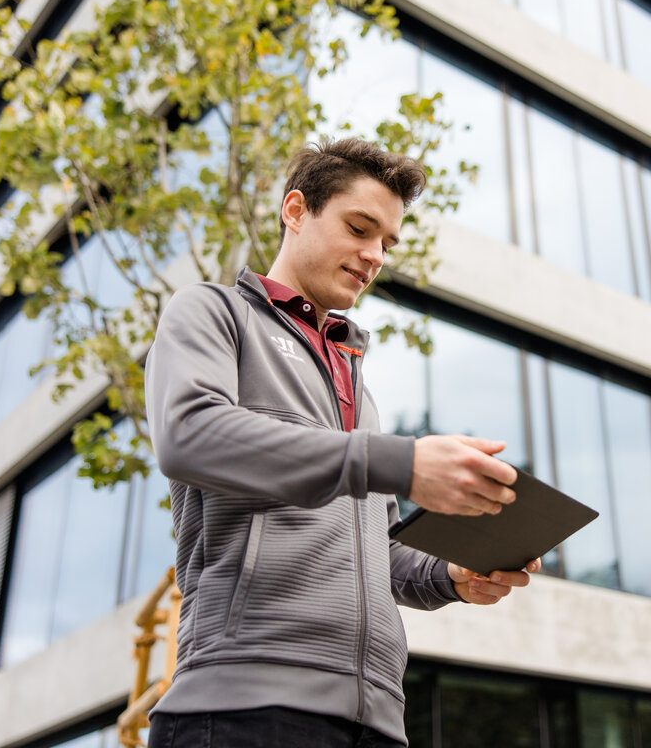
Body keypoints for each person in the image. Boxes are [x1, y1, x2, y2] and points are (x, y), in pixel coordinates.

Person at [143, 137, 539, 748]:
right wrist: (402, 460)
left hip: (376, 720)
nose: (374, 255)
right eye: (359, 228)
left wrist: (450, 573)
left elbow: (379, 549)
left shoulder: (356, 383)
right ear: (296, 210)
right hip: (245, 703)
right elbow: (189, 434)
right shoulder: (212, 313)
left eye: (387, 243)